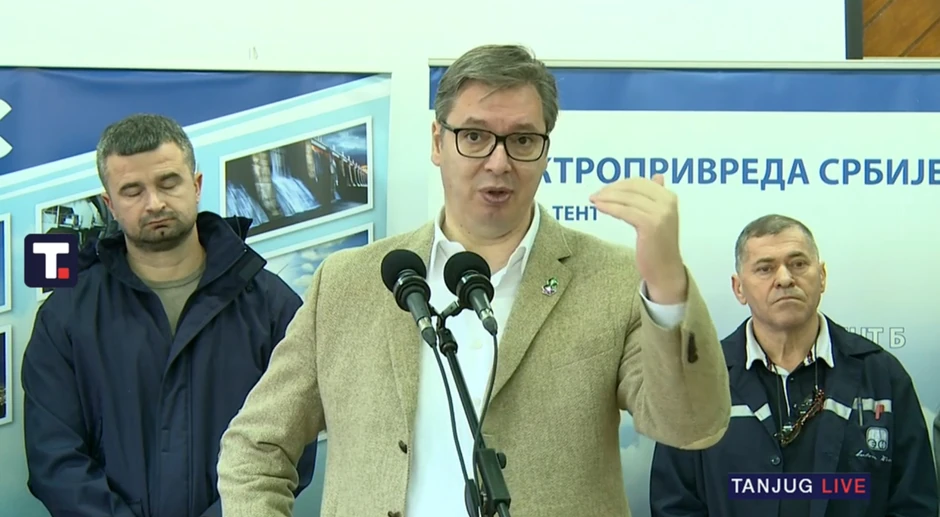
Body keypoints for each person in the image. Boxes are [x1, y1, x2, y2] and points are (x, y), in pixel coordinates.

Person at [216, 44, 731, 517]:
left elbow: (690, 427)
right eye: (475, 136)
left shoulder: (611, 279)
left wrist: (667, 286)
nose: (498, 162)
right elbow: (255, 448)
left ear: (546, 151)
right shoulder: (349, 284)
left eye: (522, 139)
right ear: (437, 142)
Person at [20, 113, 318, 517]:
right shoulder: (65, 318)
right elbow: (55, 461)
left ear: (196, 186)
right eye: (132, 191)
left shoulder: (272, 307)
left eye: (168, 182)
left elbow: (288, 447)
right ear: (110, 205)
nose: (154, 203)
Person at [649, 214, 938, 517]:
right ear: (739, 288)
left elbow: (914, 504)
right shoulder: (698, 380)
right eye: (765, 268)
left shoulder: (882, 375)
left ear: (822, 276)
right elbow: (675, 505)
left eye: (798, 264)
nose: (785, 278)